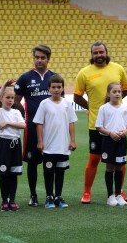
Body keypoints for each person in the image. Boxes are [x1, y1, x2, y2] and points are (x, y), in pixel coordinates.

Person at [74, 41, 127, 204]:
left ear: (106, 52)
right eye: (95, 53)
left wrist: (114, 106)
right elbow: (77, 96)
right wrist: (92, 108)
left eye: (101, 52)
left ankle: (119, 191)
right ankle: (86, 192)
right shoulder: (84, 73)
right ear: (91, 55)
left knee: (120, 159)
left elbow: (125, 90)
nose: (99, 55)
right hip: (96, 125)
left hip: (117, 125)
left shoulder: (118, 69)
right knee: (94, 158)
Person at [14, 45, 55, 206]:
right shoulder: (25, 78)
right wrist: (24, 117)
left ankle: (50, 195)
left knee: (49, 162)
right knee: (32, 162)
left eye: (42, 57)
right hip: (31, 128)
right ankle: (33, 195)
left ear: (48, 59)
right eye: (36, 57)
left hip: (51, 128)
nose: (39, 60)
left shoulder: (54, 77)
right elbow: (16, 102)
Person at [33, 74, 77, 208]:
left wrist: (73, 140)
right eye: (54, 87)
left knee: (60, 171)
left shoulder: (67, 104)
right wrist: (40, 141)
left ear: (63, 88)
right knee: (48, 171)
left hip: (63, 145)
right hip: (49, 145)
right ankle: (49, 197)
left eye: (59, 87)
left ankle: (58, 196)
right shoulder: (44, 104)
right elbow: (39, 123)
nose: (56, 89)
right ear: (49, 89)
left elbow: (71, 123)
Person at [95, 82, 127, 206]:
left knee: (120, 167)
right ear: (108, 94)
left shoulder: (125, 108)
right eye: (114, 92)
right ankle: (110, 195)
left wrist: (125, 132)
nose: (117, 94)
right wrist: (110, 133)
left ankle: (118, 194)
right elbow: (99, 126)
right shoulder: (104, 108)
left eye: (119, 92)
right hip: (108, 141)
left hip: (121, 140)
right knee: (110, 167)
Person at [0, 79, 25, 211]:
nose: (10, 100)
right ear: (2, 98)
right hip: (4, 144)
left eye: (12, 97)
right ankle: (4, 200)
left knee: (13, 173)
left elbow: (23, 125)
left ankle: (12, 200)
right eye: (7, 97)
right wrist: (5, 85)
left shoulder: (16, 112)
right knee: (4, 173)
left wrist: (7, 124)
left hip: (16, 143)